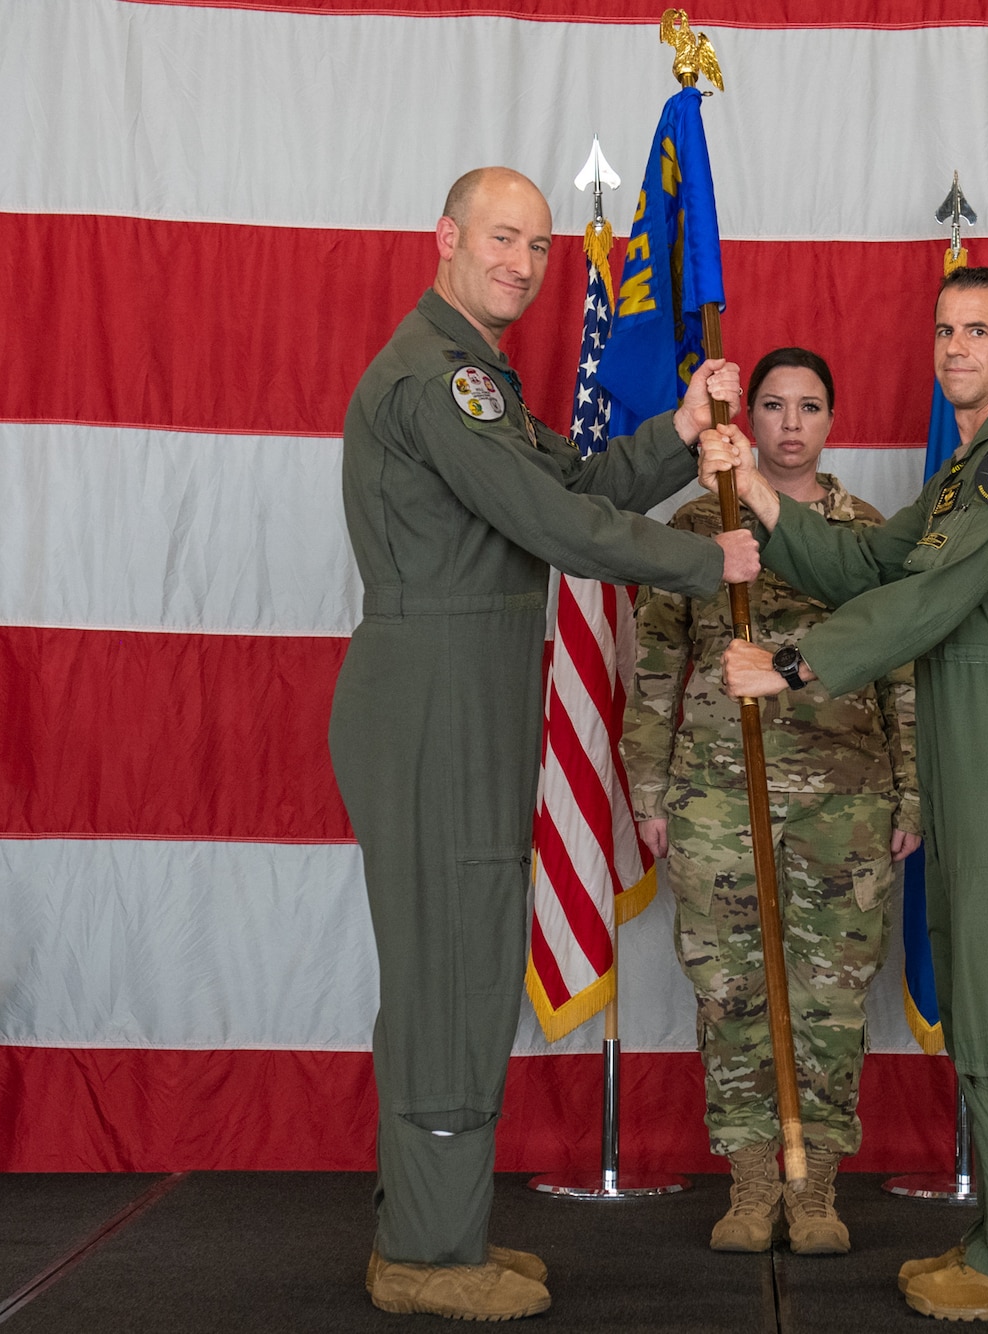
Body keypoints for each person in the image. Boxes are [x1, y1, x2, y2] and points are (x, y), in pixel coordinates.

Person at [328, 165, 759, 1322]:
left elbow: (562, 477)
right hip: (433, 698)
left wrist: (673, 435)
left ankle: (434, 1223)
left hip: (460, 690)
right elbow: (551, 522)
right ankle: (424, 1247)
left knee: (456, 960)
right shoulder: (436, 378)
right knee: (451, 971)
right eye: (501, 238)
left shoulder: (474, 374)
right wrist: (698, 558)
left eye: (535, 244)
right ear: (445, 238)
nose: (520, 261)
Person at [703, 268, 988, 1321]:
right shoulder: (969, 469)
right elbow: (875, 556)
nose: (955, 346)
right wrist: (756, 489)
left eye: (978, 329)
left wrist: (788, 664)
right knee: (982, 988)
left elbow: (927, 596)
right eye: (943, 328)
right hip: (969, 731)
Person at [624, 347, 921, 1257]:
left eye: (811, 407)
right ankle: (751, 1185)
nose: (791, 424)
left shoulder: (865, 532)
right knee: (731, 991)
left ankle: (816, 1188)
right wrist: (649, 785)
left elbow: (901, 669)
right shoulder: (691, 523)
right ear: (745, 418)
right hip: (718, 792)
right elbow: (653, 669)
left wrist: (912, 790)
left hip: (845, 801)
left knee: (830, 995)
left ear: (833, 422)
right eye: (774, 406)